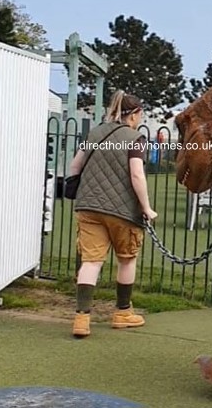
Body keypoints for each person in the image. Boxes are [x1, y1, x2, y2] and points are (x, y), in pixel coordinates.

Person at [69, 90, 158, 338]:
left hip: (88, 206)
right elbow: (137, 175)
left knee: (91, 261)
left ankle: (81, 319)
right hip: (122, 210)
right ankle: (122, 312)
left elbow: (75, 166)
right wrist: (147, 207)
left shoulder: (95, 133)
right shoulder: (135, 138)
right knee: (127, 258)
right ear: (136, 114)